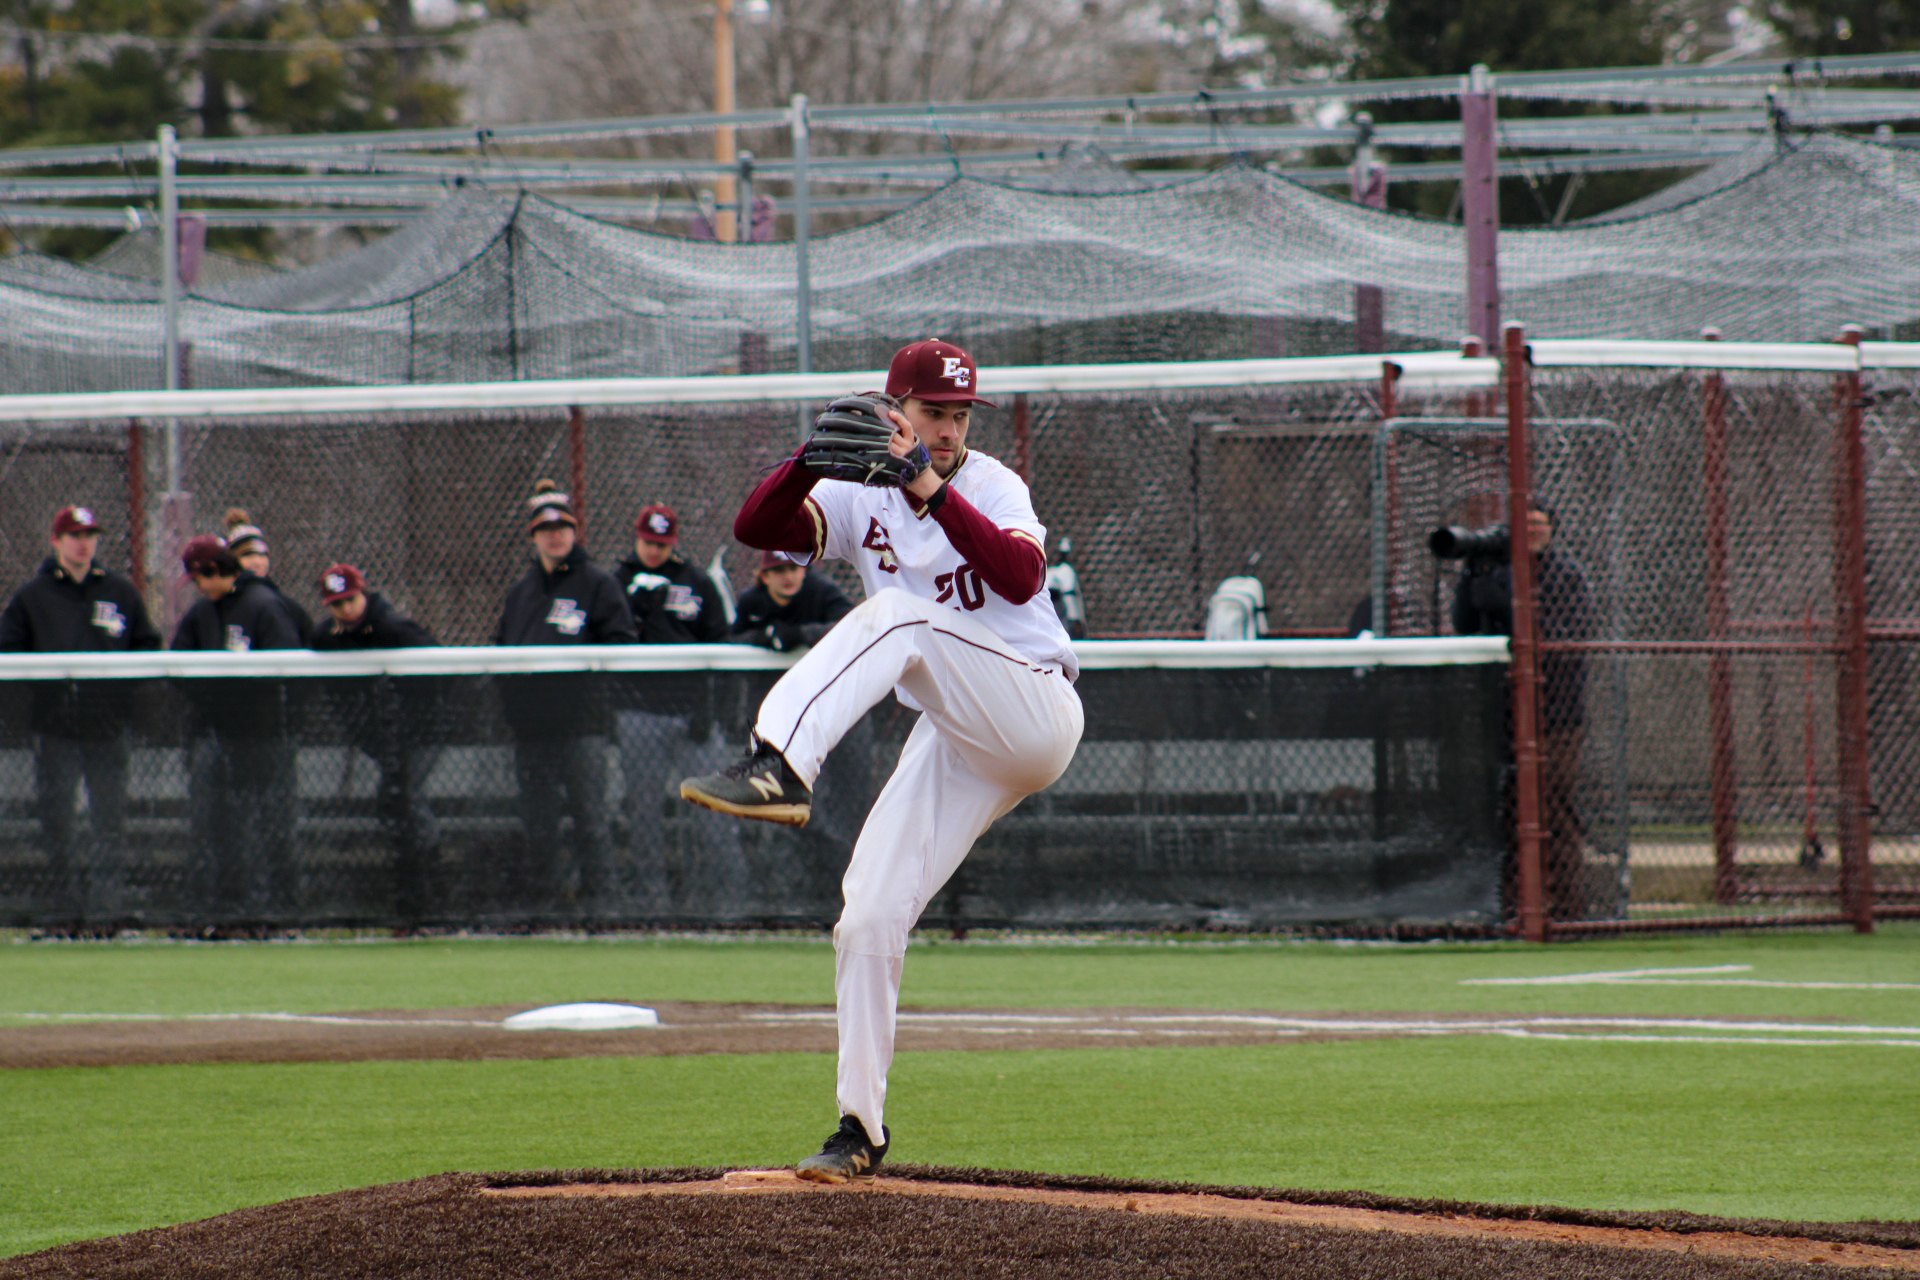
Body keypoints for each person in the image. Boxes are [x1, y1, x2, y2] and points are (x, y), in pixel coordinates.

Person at [680, 339, 1083, 1182]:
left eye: (959, 415)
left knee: (899, 613)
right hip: (957, 733)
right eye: (933, 413)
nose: (947, 429)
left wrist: (926, 486)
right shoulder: (860, 489)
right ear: (896, 411)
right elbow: (761, 531)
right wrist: (801, 462)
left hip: (1034, 709)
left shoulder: (989, 482)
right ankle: (858, 1129)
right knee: (866, 915)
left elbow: (1018, 576)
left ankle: (779, 761)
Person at [0, 505, 163, 920]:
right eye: (75, 535)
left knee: (109, 822)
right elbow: (9, 654)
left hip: (108, 728)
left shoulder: (119, 591)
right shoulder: (32, 597)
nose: (84, 542)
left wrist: (119, 691)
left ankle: (106, 909)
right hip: (55, 728)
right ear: (56, 541)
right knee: (58, 820)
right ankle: (64, 908)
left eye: (90, 534)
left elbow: (147, 645)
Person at [493, 480, 636, 914]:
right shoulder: (522, 591)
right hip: (532, 731)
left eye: (563, 527)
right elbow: (500, 651)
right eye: (545, 528)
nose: (555, 535)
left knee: (591, 819)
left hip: (582, 727)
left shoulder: (597, 583)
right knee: (539, 824)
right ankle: (545, 905)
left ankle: (603, 906)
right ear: (534, 536)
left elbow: (622, 643)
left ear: (575, 532)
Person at [1450, 503, 1595, 920]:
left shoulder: (1565, 575)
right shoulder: (1495, 570)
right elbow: (1464, 625)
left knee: (1555, 807)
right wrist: (1472, 581)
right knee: (1504, 809)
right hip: (1498, 713)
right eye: (1524, 524)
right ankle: (1511, 904)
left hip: (1555, 714)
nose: (1531, 530)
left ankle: (1568, 908)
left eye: (1539, 523)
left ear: (1552, 530)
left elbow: (1560, 638)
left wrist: (1510, 607)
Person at [171, 534, 308, 918]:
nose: (198, 588)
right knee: (218, 828)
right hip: (214, 736)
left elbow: (288, 669)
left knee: (271, 825)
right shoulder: (202, 615)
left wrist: (234, 688)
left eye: (200, 579)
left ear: (214, 571)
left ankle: (280, 909)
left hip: (264, 737)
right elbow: (177, 666)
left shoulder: (263, 606)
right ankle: (221, 906)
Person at [610, 504, 734, 914]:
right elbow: (610, 645)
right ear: (636, 538)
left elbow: (721, 647)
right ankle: (652, 903)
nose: (652, 551)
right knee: (644, 813)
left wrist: (708, 709)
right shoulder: (617, 582)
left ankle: (726, 901)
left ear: (673, 542)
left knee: (714, 808)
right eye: (647, 542)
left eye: (661, 544)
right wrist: (639, 608)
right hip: (639, 713)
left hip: (693, 714)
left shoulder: (696, 581)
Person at [309, 564, 442, 926]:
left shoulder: (395, 628)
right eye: (337, 604)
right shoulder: (327, 637)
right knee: (394, 802)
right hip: (380, 739)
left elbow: (440, 669)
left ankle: (429, 885)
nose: (346, 610)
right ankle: (413, 887)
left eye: (351, 600)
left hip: (422, 733)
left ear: (363, 593)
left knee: (403, 798)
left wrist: (410, 715)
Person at [730, 548, 856, 652]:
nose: (788, 577)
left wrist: (800, 634)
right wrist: (761, 637)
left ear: (804, 571)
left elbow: (852, 626)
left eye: (794, 568)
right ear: (765, 577)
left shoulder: (822, 591)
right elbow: (730, 640)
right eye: (779, 570)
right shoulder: (751, 601)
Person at [223, 509, 313, 643]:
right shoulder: (217, 605)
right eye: (247, 555)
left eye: (262, 555)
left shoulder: (285, 605)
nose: (257, 562)